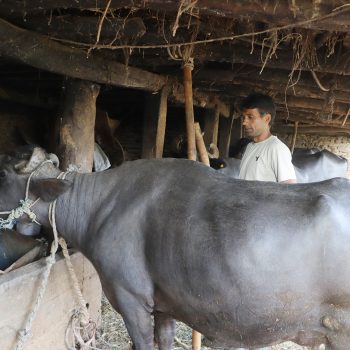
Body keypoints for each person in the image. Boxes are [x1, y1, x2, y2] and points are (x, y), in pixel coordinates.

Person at [238, 93, 296, 183]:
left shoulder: (277, 148)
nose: (244, 123)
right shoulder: (249, 147)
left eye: (250, 117)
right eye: (244, 117)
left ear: (266, 119)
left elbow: (290, 189)